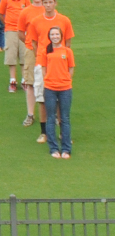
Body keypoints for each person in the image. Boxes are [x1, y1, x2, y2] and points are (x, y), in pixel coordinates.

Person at [38, 27, 74, 159]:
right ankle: (53, 148)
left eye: (57, 34)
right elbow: (43, 68)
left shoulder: (67, 51)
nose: (55, 36)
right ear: (49, 36)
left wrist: (66, 80)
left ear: (61, 36)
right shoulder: (45, 51)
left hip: (65, 88)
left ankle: (66, 149)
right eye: (52, 34)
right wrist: (48, 79)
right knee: (51, 118)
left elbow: (71, 68)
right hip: (50, 89)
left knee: (64, 118)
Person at [0, 0, 33, 92]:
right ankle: (12, 80)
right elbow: (0, 13)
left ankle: (25, 80)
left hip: (23, 31)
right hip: (10, 30)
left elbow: (29, 13)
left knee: (24, 55)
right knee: (11, 55)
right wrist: (7, 24)